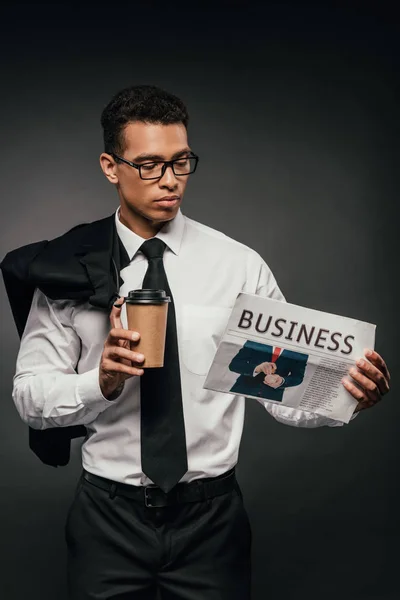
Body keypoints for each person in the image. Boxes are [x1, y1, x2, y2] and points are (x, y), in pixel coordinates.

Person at [2, 85, 390, 600]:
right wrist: (102, 381)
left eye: (181, 163)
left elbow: (281, 393)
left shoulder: (238, 266)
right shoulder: (65, 267)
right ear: (109, 166)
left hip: (212, 521)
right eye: (149, 165)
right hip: (107, 519)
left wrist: (346, 396)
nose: (170, 182)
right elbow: (30, 399)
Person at [229, 340, 308, 401]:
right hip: (242, 391)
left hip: (271, 398)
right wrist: (257, 368)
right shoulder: (257, 339)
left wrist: (281, 381)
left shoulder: (300, 350)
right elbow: (234, 364)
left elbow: (298, 377)